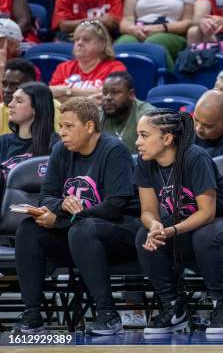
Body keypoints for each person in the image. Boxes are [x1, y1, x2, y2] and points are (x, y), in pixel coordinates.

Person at [14, 97, 140, 335]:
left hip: (119, 233)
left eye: (69, 126)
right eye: (61, 126)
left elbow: (114, 207)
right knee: (29, 228)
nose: (62, 132)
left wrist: (60, 219)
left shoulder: (115, 151)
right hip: (77, 234)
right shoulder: (61, 150)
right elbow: (47, 196)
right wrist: (62, 205)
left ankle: (108, 314)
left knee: (83, 230)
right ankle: (32, 314)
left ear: (90, 127)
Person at [134, 109, 223, 334]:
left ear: (168, 138)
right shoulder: (145, 162)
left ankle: (222, 305)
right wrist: (154, 226)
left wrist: (171, 230)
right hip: (190, 229)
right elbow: (148, 211)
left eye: (144, 135)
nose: (138, 142)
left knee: (205, 234)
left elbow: (207, 213)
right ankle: (173, 307)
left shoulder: (194, 157)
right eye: (138, 135)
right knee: (144, 235)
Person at [50, 21, 126, 103]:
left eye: (86, 40)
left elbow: (107, 96)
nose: (79, 43)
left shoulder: (115, 68)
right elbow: (50, 94)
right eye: (77, 39)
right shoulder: (63, 67)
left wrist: (66, 90)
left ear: (102, 44)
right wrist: (88, 99)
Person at [0, 82, 56, 193]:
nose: (10, 104)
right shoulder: (2, 142)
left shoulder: (57, 145)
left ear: (36, 108)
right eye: (12, 99)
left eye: (19, 101)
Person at [100, 72, 156, 153]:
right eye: (105, 93)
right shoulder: (97, 115)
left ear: (131, 94)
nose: (108, 97)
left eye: (115, 92)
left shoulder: (147, 117)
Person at [1, 59, 61, 135]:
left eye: (14, 85)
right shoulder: (1, 110)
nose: (7, 90)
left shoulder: (54, 107)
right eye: (4, 84)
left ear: (32, 84)